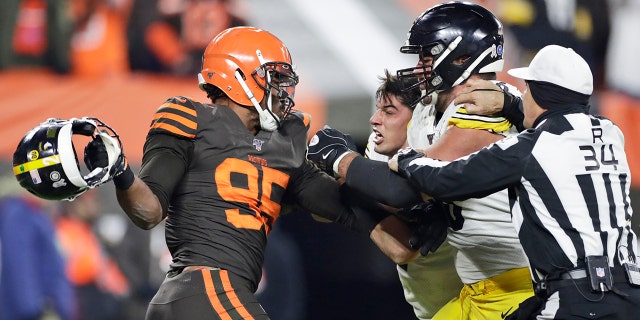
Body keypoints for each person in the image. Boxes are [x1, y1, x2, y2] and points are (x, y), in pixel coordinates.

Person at [75, 26, 385, 319]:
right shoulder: (192, 120)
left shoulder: (282, 148)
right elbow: (149, 211)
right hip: (205, 288)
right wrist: (121, 172)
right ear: (238, 76)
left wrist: (382, 181)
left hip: (200, 299)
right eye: (272, 77)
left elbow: (347, 207)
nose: (281, 90)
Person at [308, 2, 535, 319]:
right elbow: (349, 193)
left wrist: (340, 158)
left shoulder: (486, 102)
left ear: (461, 58)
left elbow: (404, 189)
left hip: (521, 283)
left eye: (426, 57)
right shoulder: (425, 107)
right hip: (473, 289)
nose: (417, 67)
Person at [388, 44, 640, 319]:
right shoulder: (611, 134)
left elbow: (445, 180)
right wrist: (509, 104)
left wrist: (406, 159)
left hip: (577, 299)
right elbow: (558, 120)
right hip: (629, 290)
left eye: (528, 88)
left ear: (540, 93)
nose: (524, 94)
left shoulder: (530, 148)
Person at [0, 176, 76, 320]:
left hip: (47, 307)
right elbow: (20, 266)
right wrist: (33, 309)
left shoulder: (34, 214)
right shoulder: (19, 214)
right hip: (36, 310)